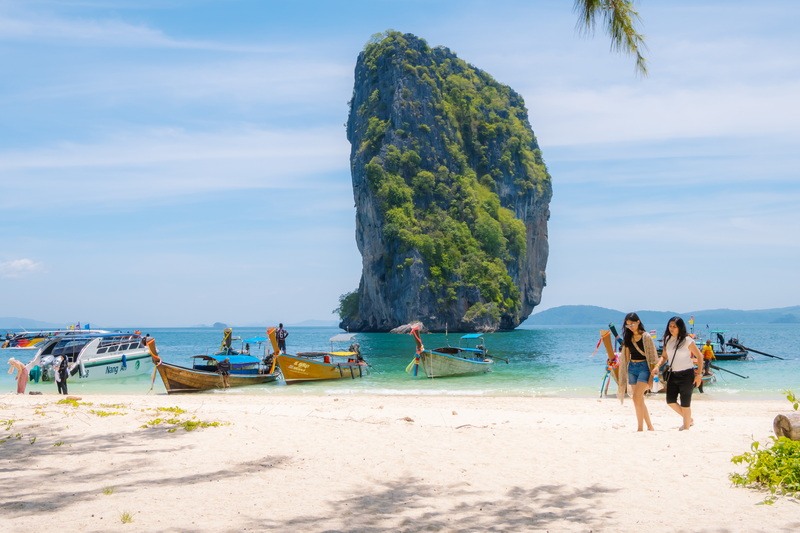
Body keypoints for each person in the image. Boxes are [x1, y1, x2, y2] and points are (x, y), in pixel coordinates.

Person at [654, 316, 704, 431]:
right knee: (670, 401)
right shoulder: (667, 339)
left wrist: (699, 375)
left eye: (674, 327)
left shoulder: (687, 340)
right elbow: (665, 356)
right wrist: (657, 366)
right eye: (670, 326)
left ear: (680, 327)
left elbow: (699, 357)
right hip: (673, 374)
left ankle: (686, 428)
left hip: (687, 375)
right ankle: (689, 419)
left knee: (685, 404)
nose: (671, 329)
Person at [616, 312, 659, 431]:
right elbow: (625, 357)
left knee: (636, 397)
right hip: (632, 368)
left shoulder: (646, 337)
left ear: (638, 322)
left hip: (644, 367)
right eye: (628, 325)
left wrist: (652, 376)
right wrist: (622, 377)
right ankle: (649, 426)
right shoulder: (628, 338)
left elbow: (653, 357)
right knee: (638, 399)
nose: (630, 327)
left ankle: (640, 428)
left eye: (632, 324)